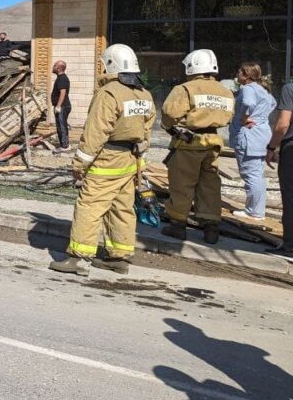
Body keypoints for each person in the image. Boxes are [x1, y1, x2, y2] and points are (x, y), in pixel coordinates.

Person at [49, 44, 155, 276]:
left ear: (110, 65)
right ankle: (119, 257)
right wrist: (142, 162)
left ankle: (77, 258)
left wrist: (79, 164)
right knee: (122, 209)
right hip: (130, 161)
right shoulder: (144, 94)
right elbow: (146, 131)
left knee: (90, 206)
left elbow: (95, 133)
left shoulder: (109, 93)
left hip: (106, 161)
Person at [160, 49, 235, 245]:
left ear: (191, 67)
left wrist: (170, 126)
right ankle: (211, 228)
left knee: (182, 184)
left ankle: (177, 225)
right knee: (210, 185)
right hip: (213, 143)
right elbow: (228, 116)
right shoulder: (225, 91)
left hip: (188, 143)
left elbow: (169, 114)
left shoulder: (185, 89)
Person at [229, 63, 276, 221]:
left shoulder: (248, 89)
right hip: (261, 135)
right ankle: (258, 209)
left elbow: (248, 103)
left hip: (249, 136)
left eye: (239, 71)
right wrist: (260, 118)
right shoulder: (263, 90)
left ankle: (253, 212)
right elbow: (273, 104)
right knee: (257, 174)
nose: (237, 73)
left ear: (246, 75)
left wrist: (244, 117)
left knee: (250, 174)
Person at [265, 80, 293, 259]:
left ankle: (290, 245)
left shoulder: (290, 88)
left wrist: (271, 148)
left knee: (290, 198)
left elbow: (283, 124)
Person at [51, 61, 71, 152]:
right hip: (62, 106)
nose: (53, 67)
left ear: (59, 68)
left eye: (54, 65)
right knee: (61, 125)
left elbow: (62, 93)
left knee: (62, 126)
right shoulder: (60, 78)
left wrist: (58, 106)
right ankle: (65, 144)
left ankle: (64, 146)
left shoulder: (62, 78)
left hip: (62, 106)